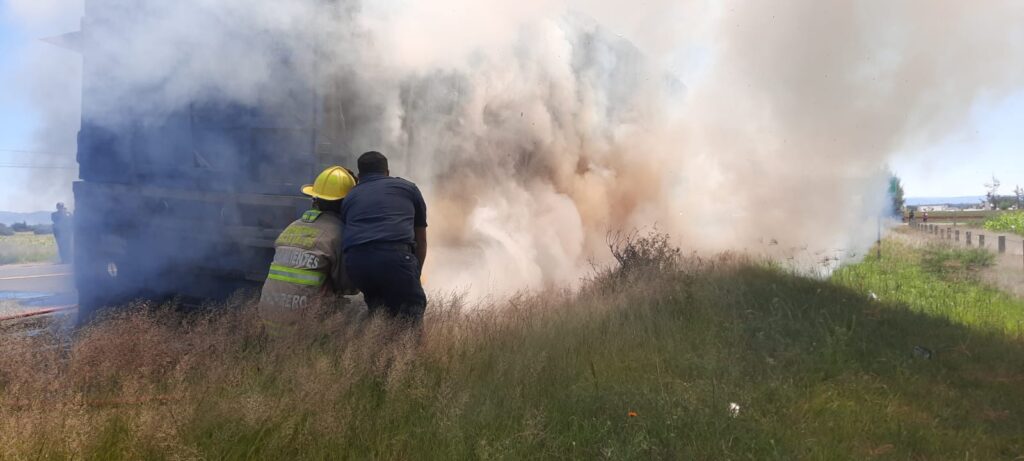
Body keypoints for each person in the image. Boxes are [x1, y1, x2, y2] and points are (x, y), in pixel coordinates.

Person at [258, 166, 358, 330]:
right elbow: (349, 287)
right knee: (359, 306)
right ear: (347, 204)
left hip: (270, 324)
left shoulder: (291, 227)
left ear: (314, 199)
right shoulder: (339, 234)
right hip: (304, 331)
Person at [340, 151, 428, 325]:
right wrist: (415, 274)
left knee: (378, 311)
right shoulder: (409, 189)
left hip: (357, 263)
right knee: (412, 313)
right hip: (395, 258)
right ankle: (412, 352)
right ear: (387, 172)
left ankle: (374, 349)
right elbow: (421, 240)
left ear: (359, 176)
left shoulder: (350, 196)